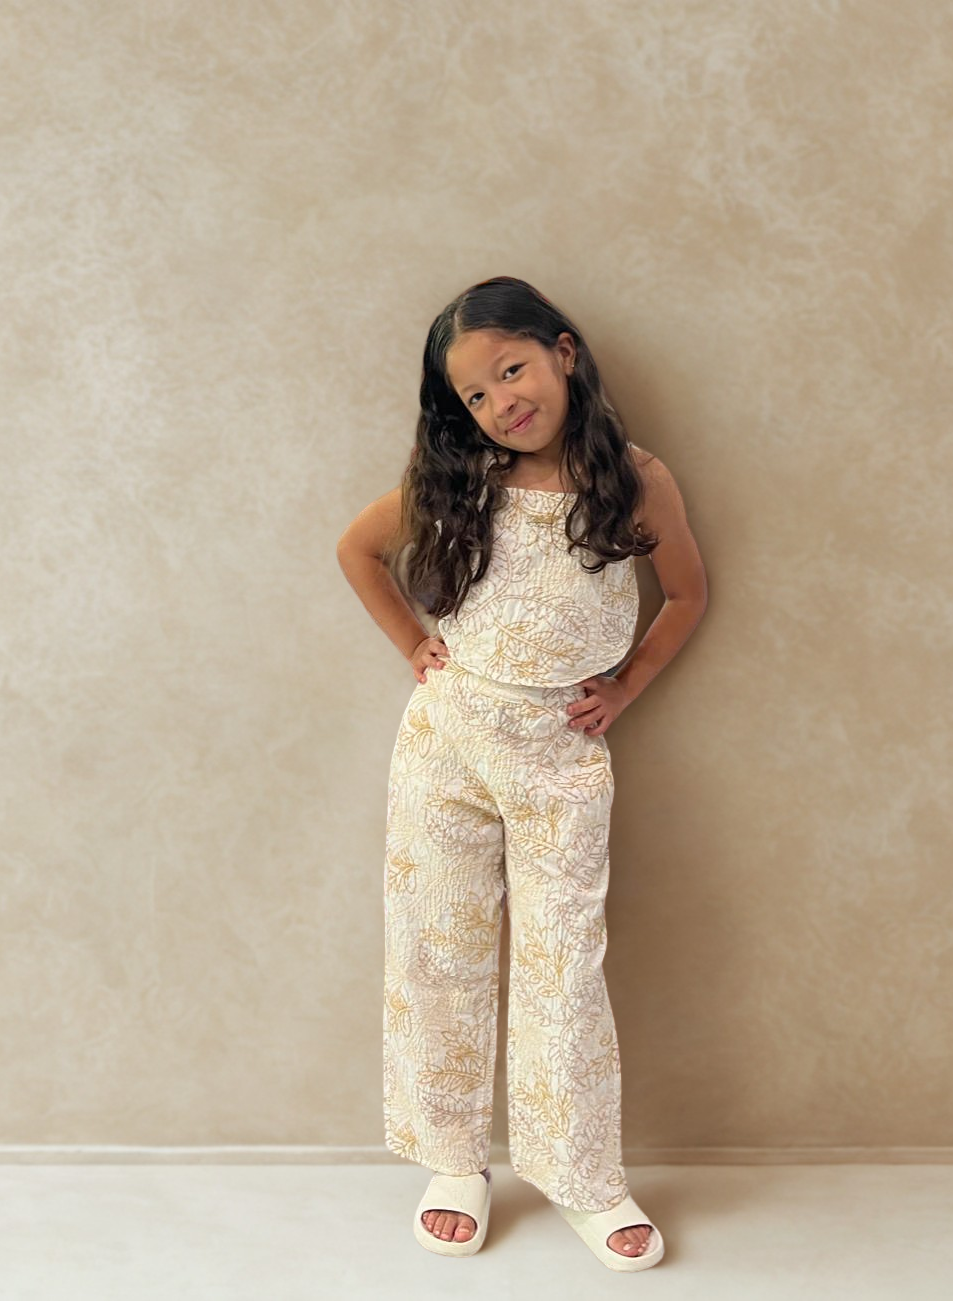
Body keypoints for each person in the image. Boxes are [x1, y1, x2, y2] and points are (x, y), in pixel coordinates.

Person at [335, 275, 707, 1271]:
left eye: (512, 369)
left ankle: (583, 1173)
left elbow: (685, 593)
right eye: (476, 393)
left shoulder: (635, 478)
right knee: (438, 946)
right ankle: (453, 1157)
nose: (502, 401)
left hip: (557, 752)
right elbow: (358, 549)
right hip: (447, 740)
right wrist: (414, 645)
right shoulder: (464, 480)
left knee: (562, 964)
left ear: (562, 353)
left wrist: (624, 688)